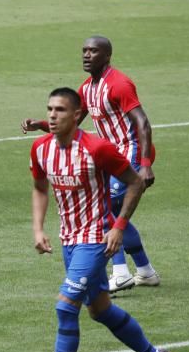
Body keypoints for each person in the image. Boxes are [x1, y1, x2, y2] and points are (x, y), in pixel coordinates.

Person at [21, 87, 173, 352]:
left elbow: (135, 182)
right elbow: (39, 188)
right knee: (100, 310)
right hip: (69, 241)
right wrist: (37, 228)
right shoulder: (40, 148)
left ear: (77, 115)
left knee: (65, 307)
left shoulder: (98, 148)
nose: (52, 115)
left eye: (60, 110)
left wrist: (118, 227)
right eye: (49, 109)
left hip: (96, 239)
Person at [22, 35, 159, 293]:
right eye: (84, 50)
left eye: (93, 51)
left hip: (130, 153)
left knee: (103, 211)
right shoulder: (87, 88)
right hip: (110, 157)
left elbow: (142, 122)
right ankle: (145, 271)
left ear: (107, 56)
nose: (87, 55)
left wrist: (146, 163)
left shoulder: (119, 84)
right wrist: (41, 124)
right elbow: (74, 118)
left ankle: (120, 273)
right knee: (114, 214)